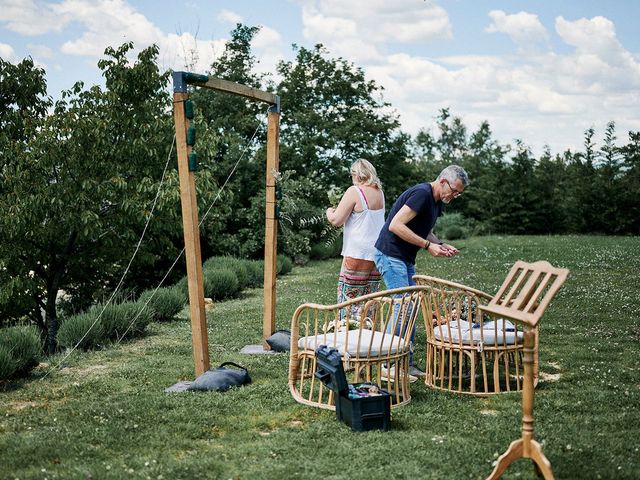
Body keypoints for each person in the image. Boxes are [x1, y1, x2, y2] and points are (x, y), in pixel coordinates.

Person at [374, 164, 470, 379]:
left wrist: (441, 243)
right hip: (390, 255)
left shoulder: (437, 201)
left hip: (404, 257)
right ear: (443, 181)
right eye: (454, 190)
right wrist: (428, 247)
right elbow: (396, 225)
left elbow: (424, 230)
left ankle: (404, 364)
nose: (454, 195)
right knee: (402, 307)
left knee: (411, 308)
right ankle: (388, 365)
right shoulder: (422, 194)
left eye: (459, 193)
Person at [326, 159, 385, 323]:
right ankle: (367, 336)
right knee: (370, 297)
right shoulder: (379, 192)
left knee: (349, 298)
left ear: (355, 174)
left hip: (357, 252)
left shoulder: (354, 191)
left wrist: (329, 211)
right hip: (376, 252)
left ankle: (347, 335)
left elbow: (336, 220)